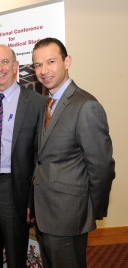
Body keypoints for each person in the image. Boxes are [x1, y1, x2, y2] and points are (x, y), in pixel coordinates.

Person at [31, 37, 115, 267]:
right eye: (38, 65)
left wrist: (90, 210)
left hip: (69, 216)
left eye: (50, 62)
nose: (44, 71)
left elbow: (102, 167)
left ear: (67, 62)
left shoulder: (86, 106)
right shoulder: (44, 104)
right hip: (44, 214)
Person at [0, 44, 46, 268]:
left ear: (15, 66)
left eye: (5, 62)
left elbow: (38, 156)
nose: (0, 68)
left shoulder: (36, 103)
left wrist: (32, 199)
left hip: (15, 187)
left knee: (16, 255)